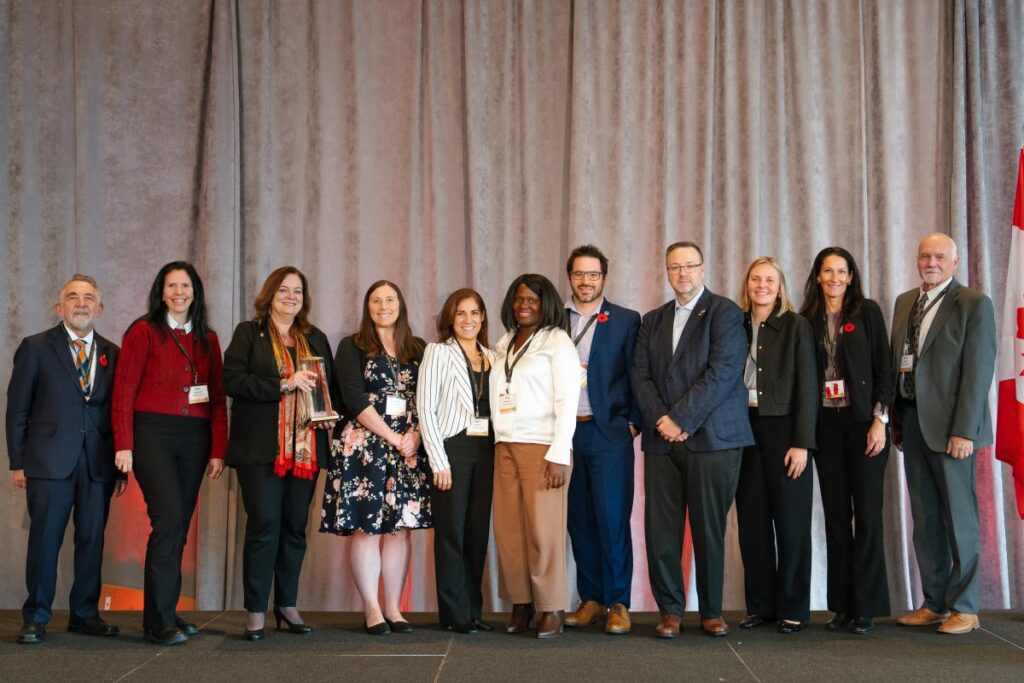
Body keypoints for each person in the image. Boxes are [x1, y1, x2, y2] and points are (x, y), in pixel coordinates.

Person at [631, 241, 752, 639]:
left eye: (690, 266)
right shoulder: (652, 320)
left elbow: (723, 372)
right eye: (675, 267)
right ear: (666, 272)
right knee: (661, 529)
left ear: (703, 269)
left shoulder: (726, 313)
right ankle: (669, 612)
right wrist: (663, 421)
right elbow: (641, 377)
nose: (682, 273)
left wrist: (680, 419)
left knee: (708, 528)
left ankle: (712, 612)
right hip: (662, 442)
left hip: (712, 439)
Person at [112, 261, 227, 646]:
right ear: (161, 292)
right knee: (169, 519)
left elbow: (217, 400)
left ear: (196, 292)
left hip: (194, 439)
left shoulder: (207, 338)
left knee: (177, 529)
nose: (179, 292)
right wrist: (123, 444)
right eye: (172, 285)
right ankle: (160, 621)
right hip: (152, 435)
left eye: (186, 286)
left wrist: (217, 449)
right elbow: (124, 391)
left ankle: (160, 612)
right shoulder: (143, 332)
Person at [5, 275, 125, 645]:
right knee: (46, 540)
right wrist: (17, 462)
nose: (81, 303)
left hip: (98, 464)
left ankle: (84, 614)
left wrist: (120, 463)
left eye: (89, 297)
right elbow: (17, 410)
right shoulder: (36, 347)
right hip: (48, 463)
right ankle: (36, 616)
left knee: (91, 539)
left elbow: (118, 412)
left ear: (100, 308)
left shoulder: (113, 352)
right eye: (73, 297)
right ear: (60, 307)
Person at [223, 267, 339, 641]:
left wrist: (326, 416)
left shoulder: (315, 338)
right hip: (261, 451)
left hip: (306, 451)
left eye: (298, 291)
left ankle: (286, 603)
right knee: (264, 526)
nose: (291, 296)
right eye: (284, 290)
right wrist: (283, 384)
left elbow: (328, 390)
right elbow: (232, 381)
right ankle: (256, 609)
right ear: (270, 294)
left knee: (294, 528)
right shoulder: (249, 333)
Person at [891, 234, 996, 635]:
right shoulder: (905, 302)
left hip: (954, 431)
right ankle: (934, 603)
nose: (931, 262)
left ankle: (965, 608)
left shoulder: (972, 304)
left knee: (960, 520)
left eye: (939, 257)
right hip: (913, 425)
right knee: (926, 518)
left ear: (954, 263)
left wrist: (965, 430)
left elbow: (978, 371)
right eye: (925, 256)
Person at [321, 280, 430, 635]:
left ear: (401, 304)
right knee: (367, 530)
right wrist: (393, 436)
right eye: (376, 300)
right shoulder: (352, 346)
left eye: (390, 299)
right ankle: (371, 607)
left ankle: (394, 608)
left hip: (408, 451)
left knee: (399, 531)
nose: (384, 306)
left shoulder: (417, 348)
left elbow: (428, 400)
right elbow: (353, 398)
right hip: (364, 448)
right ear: (368, 306)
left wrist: (414, 436)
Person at [799, 246, 892, 635]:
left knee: (867, 517)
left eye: (842, 271)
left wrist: (879, 421)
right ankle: (841, 605)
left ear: (851, 276)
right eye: (827, 271)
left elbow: (885, 370)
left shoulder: (867, 311)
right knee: (837, 519)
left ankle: (866, 607)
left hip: (863, 425)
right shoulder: (805, 319)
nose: (835, 278)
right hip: (826, 428)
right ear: (818, 276)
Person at [490, 273, 580, 639]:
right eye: (518, 299)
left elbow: (568, 399)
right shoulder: (506, 341)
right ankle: (521, 603)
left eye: (531, 299)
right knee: (509, 531)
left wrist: (560, 451)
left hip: (543, 447)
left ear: (547, 304)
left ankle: (552, 606)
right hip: (504, 445)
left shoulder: (557, 342)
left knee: (544, 532)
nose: (523, 305)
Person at [560, 245, 641, 636]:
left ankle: (618, 603)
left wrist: (633, 422)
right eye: (579, 274)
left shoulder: (626, 320)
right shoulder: (554, 321)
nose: (586, 281)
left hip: (609, 432)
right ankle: (590, 599)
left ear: (604, 278)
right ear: (569, 277)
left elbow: (639, 374)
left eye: (593, 274)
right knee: (580, 521)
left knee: (612, 520)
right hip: (565, 435)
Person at [735, 257, 817, 634]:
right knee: (752, 525)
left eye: (770, 280)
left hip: (785, 433)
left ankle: (794, 609)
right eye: (756, 279)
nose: (762, 285)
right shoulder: (733, 324)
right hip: (743, 430)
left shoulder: (796, 326)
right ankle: (761, 606)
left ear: (780, 286)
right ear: (747, 284)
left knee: (792, 523)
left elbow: (808, 387)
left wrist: (802, 442)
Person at [417, 288, 496, 635]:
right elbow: (425, 409)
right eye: (461, 313)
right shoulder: (437, 353)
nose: (468, 320)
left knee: (477, 533)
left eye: (475, 313)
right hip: (453, 449)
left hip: (488, 449)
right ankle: (453, 612)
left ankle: (473, 609)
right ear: (451, 318)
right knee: (452, 532)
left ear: (483, 318)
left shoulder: (493, 357)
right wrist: (438, 461)